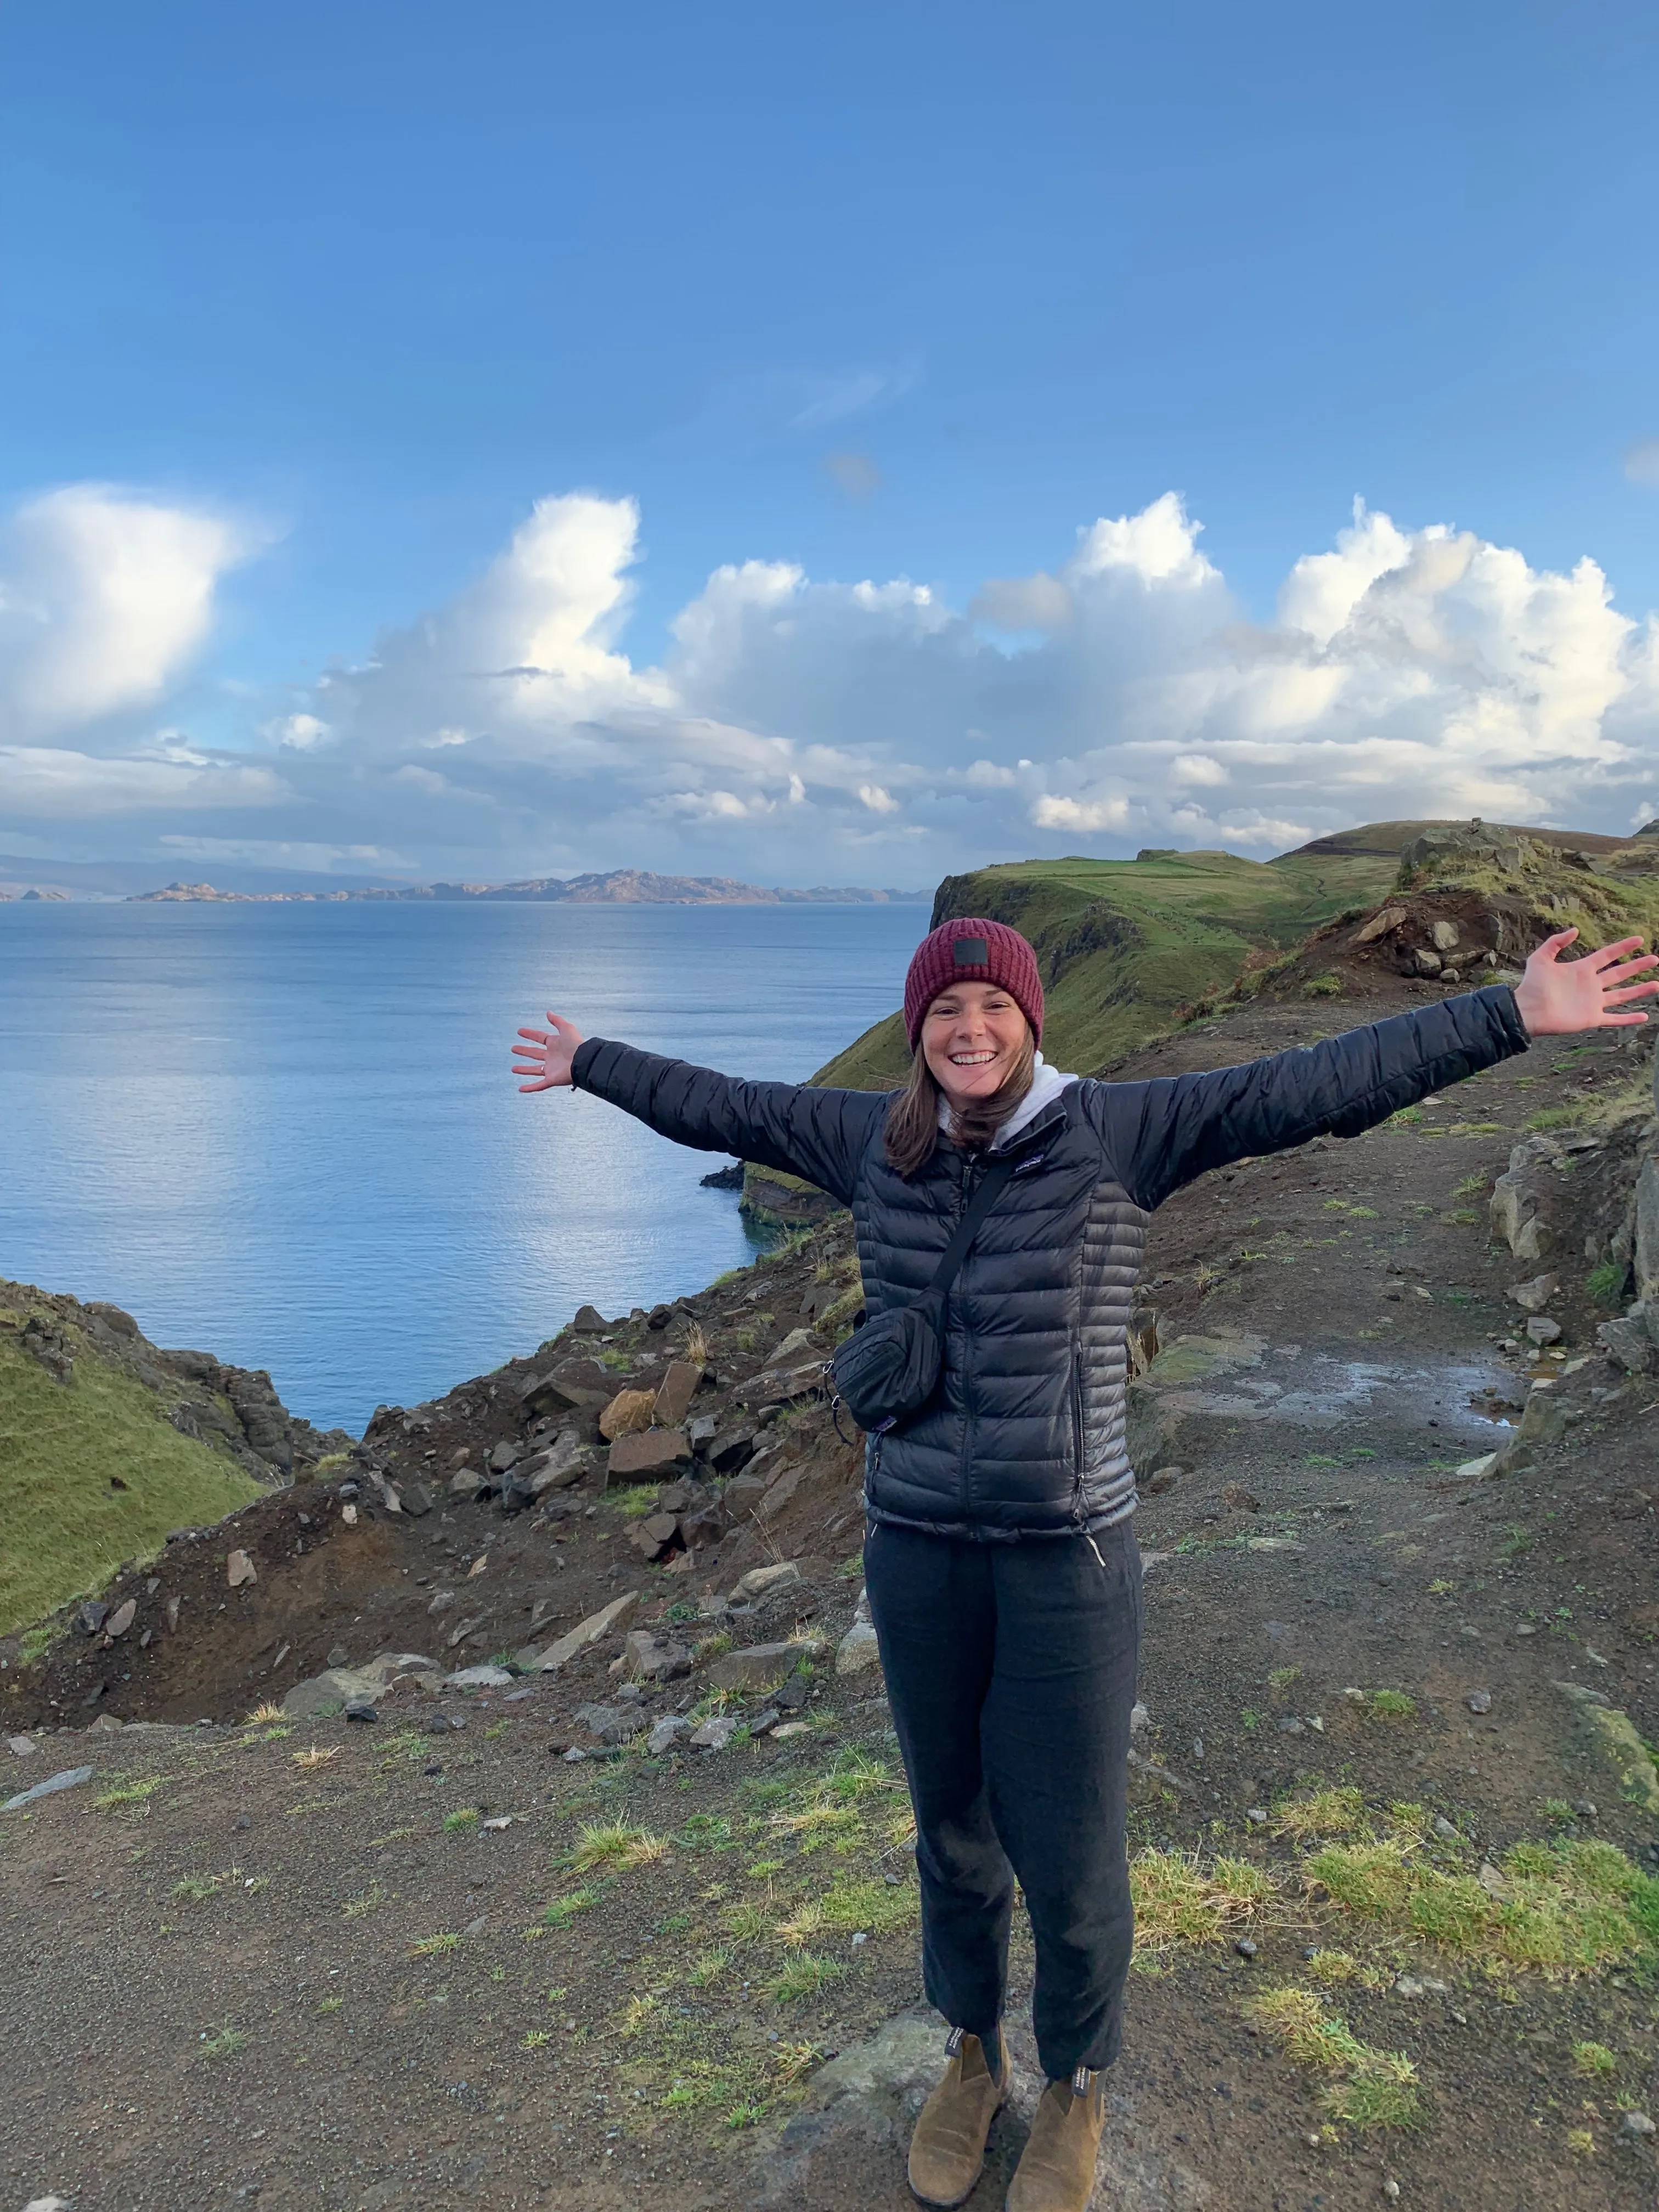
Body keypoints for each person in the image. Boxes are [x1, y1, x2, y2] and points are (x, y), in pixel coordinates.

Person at [512, 917, 1655, 2212]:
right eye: (947, 1012)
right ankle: (968, 2053)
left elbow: (1309, 1091)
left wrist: (1506, 1016)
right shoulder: (866, 1143)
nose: (971, 1032)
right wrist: (593, 1058)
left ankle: (1077, 2084)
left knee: (1071, 1848)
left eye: (995, 1009)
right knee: (951, 1832)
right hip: (920, 1553)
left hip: (1068, 1556)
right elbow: (720, 1103)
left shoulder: (1115, 1133)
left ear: (1032, 1020)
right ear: (918, 1029)